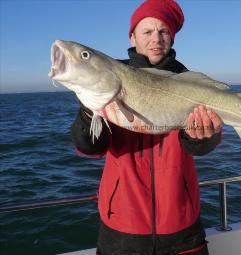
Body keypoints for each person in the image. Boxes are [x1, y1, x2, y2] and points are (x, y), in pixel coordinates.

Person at [71, 1, 223, 254]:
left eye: (164, 32)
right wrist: (90, 112)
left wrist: (203, 136)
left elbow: (199, 148)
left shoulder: (191, 83)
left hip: (182, 226)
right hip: (121, 227)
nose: (156, 39)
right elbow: (88, 146)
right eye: (147, 31)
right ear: (132, 35)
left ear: (172, 38)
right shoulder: (109, 78)